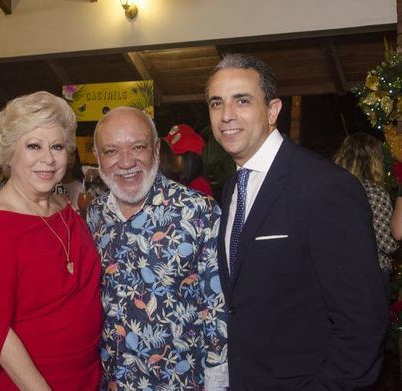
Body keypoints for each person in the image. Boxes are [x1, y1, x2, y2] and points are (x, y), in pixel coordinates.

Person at [207, 53, 388, 389]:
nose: (226, 115)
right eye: (216, 103)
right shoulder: (234, 186)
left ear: (273, 110)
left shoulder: (325, 187)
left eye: (242, 101)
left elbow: (363, 321)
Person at [0, 91, 102, 390]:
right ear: (9, 153)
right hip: (32, 382)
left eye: (57, 146)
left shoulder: (66, 207)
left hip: (88, 375)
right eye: (33, 146)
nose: (48, 159)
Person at [86, 106, 228, 390]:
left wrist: (218, 378)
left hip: (181, 380)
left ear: (155, 151)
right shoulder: (95, 214)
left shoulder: (198, 211)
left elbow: (218, 306)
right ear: (97, 157)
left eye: (137, 147)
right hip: (112, 379)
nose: (126, 162)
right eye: (111, 151)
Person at [334, 132, 397, 283]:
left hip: (335, 270)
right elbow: (387, 244)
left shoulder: (333, 189)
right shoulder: (375, 193)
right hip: (370, 273)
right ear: (375, 161)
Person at [164, 124, 214, 197]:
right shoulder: (178, 180)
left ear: (190, 158)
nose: (171, 158)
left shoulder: (199, 186)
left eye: (176, 154)